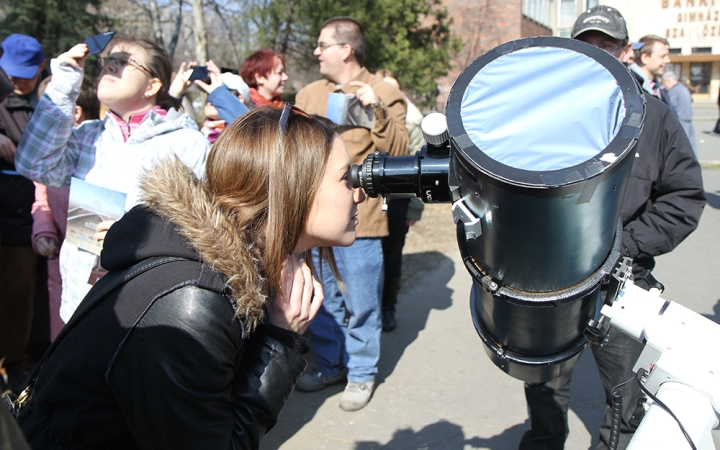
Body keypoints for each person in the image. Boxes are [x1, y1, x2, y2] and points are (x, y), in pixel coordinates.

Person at [15, 106, 366, 448]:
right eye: (345, 178)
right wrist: (281, 341)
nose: (360, 192)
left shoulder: (224, 270)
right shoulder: (192, 301)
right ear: (292, 190)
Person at [519, 6, 706, 450]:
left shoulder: (655, 117)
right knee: (543, 383)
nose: (597, 55)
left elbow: (684, 198)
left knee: (625, 395)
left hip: (624, 283)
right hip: (551, 281)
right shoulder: (541, 117)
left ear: (625, 51)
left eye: (606, 46)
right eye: (587, 47)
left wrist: (626, 245)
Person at [14, 35, 210, 325]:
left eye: (124, 62)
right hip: (77, 305)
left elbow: (204, 231)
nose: (110, 67)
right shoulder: (87, 136)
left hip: (144, 310)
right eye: (108, 61)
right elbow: (34, 164)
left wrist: (139, 239)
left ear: (153, 85)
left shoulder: (187, 145)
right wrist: (63, 84)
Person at [293, 16, 408, 411]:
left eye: (323, 44)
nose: (316, 52)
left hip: (361, 222)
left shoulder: (382, 91)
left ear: (346, 49)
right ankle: (331, 364)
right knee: (322, 300)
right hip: (313, 222)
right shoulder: (309, 93)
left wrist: (376, 111)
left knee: (361, 303)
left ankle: (360, 374)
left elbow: (400, 149)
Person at [31, 75, 101, 341]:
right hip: (57, 261)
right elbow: (42, 200)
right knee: (58, 330)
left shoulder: (94, 152)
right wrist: (44, 230)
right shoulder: (51, 157)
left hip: (91, 264)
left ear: (76, 113)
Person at [0, 34, 50, 396]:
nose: (18, 82)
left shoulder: (50, 101)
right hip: (9, 211)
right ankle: (12, 362)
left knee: (37, 291)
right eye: (10, 74)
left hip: (44, 208)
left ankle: (32, 360)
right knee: (15, 288)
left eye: (25, 75)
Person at [375, 68, 425, 331]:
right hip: (369, 201)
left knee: (391, 256)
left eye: (393, 88)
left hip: (398, 200)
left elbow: (420, 167)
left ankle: (387, 306)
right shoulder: (367, 114)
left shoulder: (412, 121)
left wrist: (414, 208)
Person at [628, 35, 674, 108]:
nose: (668, 60)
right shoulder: (630, 86)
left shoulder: (657, 87)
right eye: (662, 56)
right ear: (645, 58)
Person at [661, 70, 698, 157]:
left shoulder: (673, 91)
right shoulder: (683, 88)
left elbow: (669, 108)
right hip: (688, 121)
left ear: (669, 81)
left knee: (681, 149)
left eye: (664, 83)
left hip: (680, 121)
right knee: (691, 148)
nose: (664, 86)